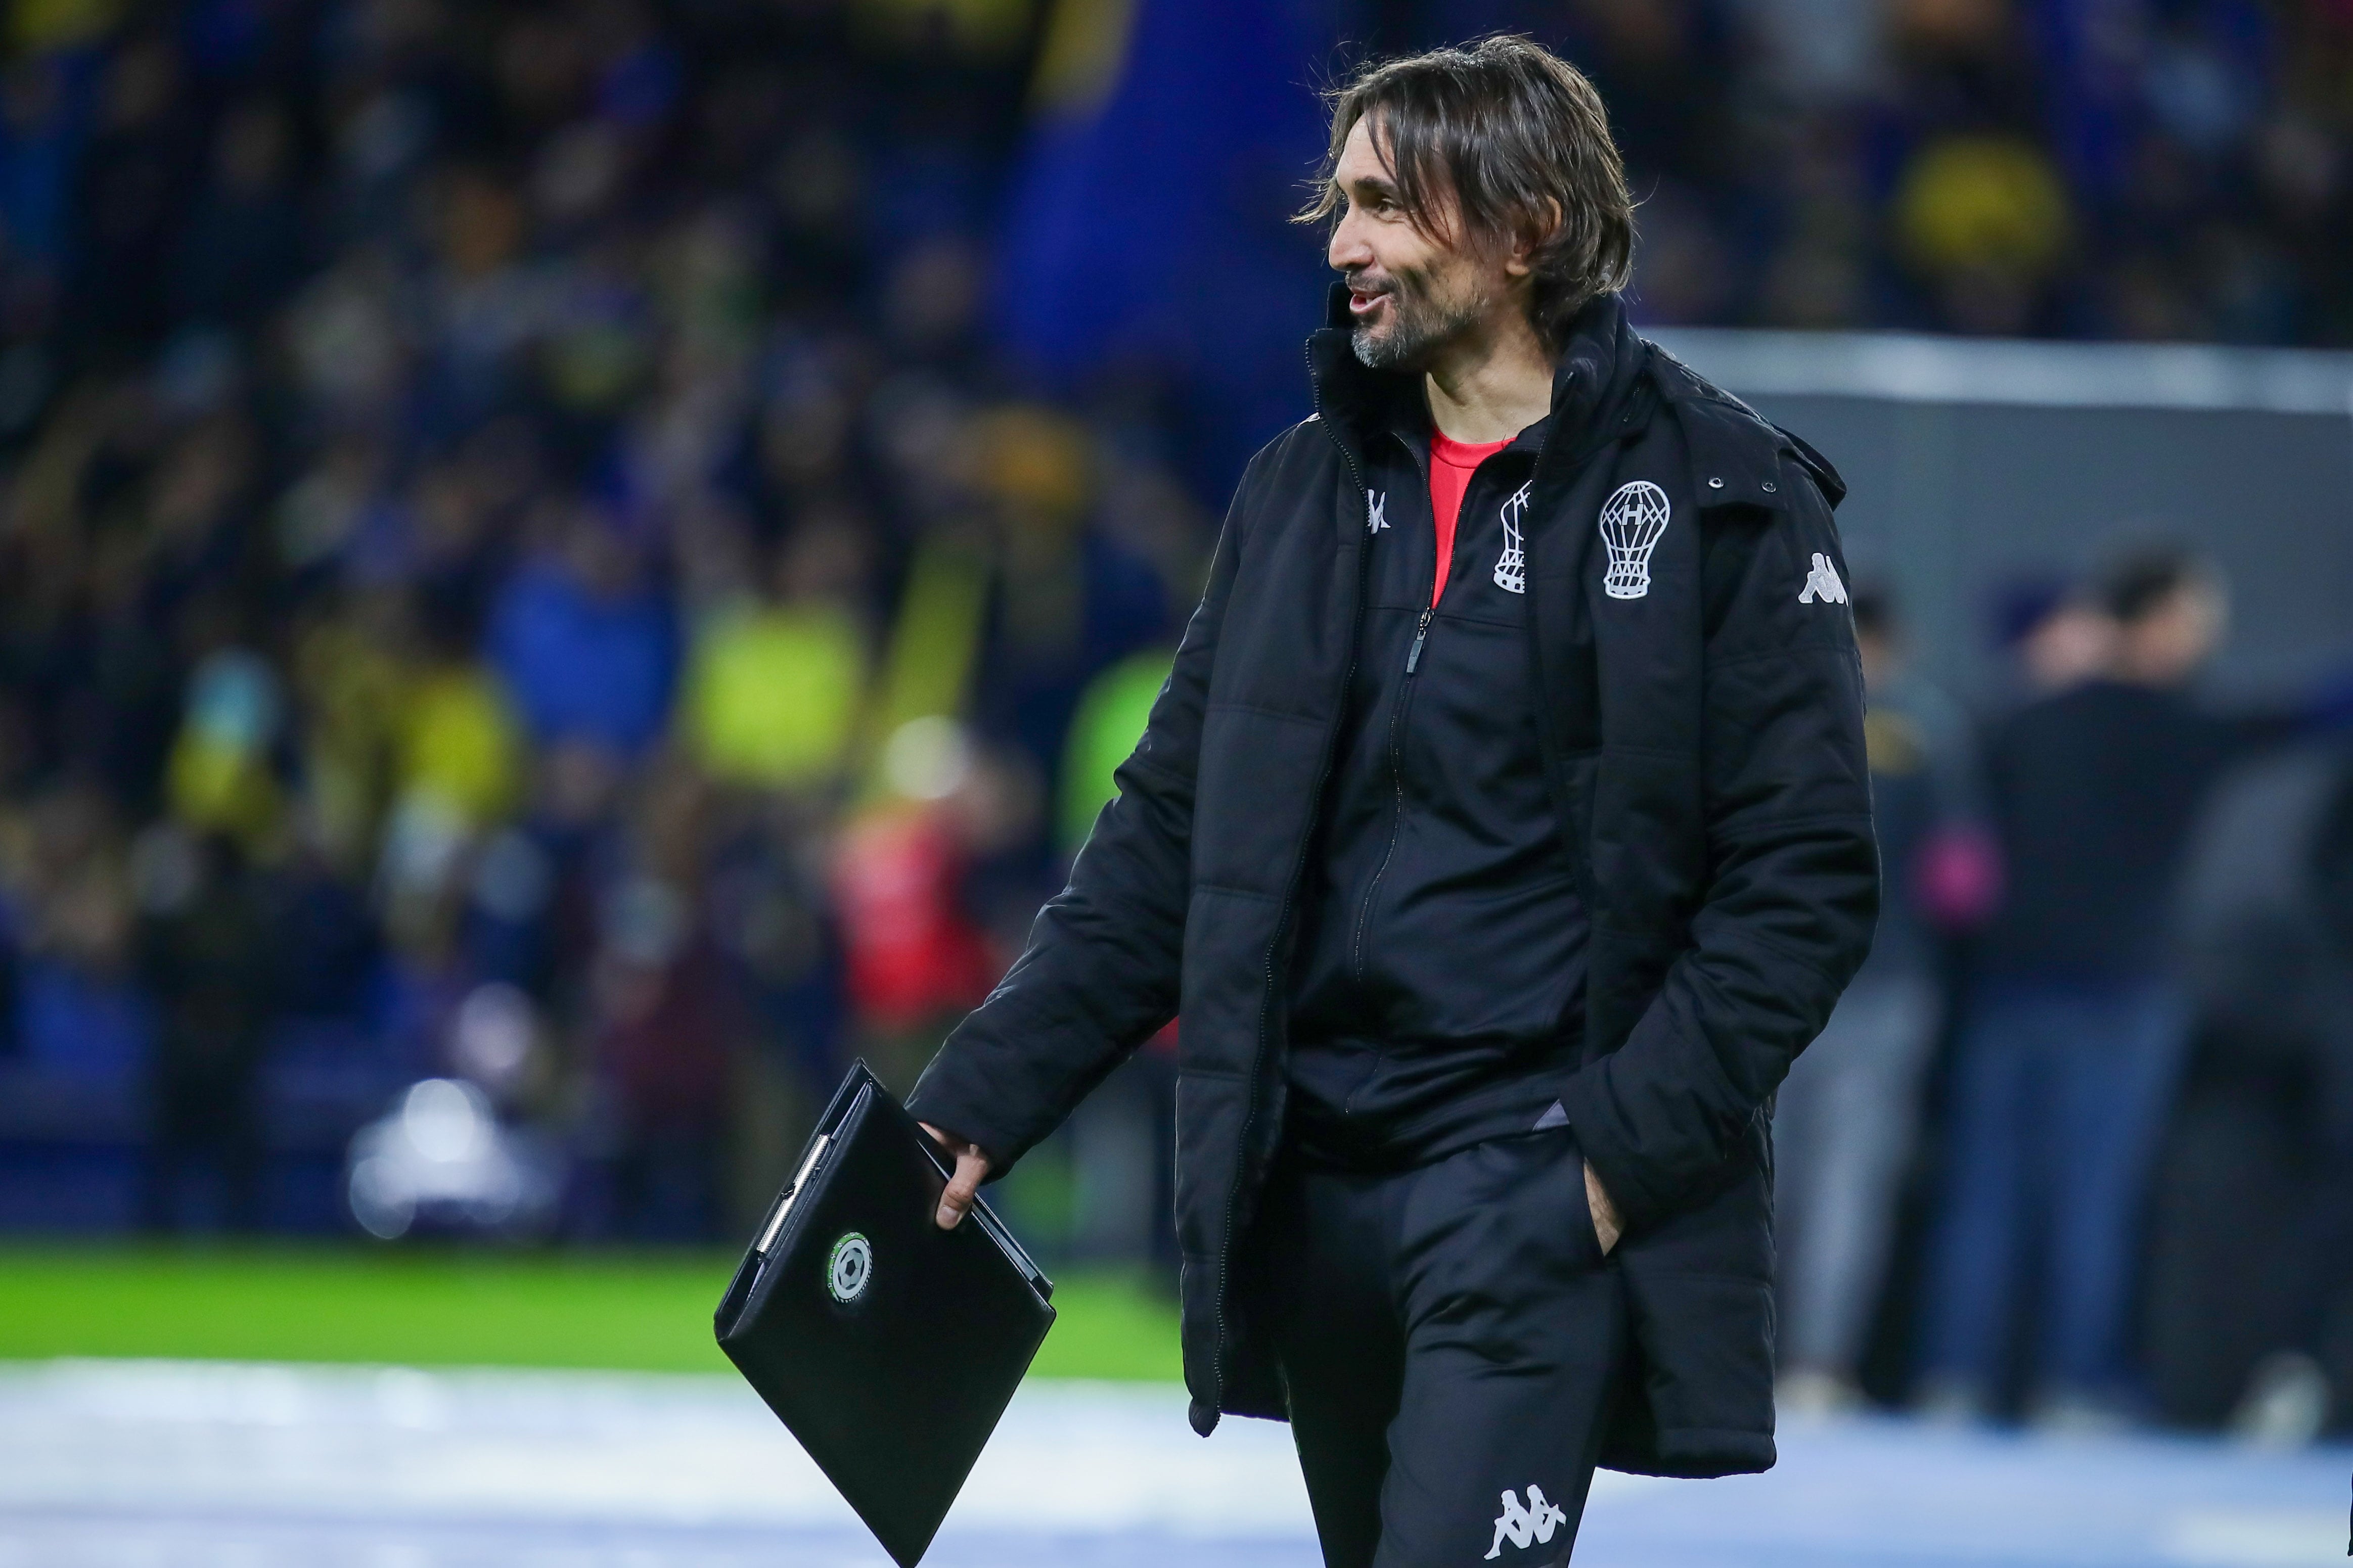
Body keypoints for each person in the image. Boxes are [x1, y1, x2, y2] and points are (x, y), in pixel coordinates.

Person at [907, 38, 1877, 1566]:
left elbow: (1803, 883)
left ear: (1524, 224)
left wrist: (1601, 1168)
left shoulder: (1722, 495)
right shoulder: (1295, 491)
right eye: (1338, 201)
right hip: (1312, 1199)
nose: (1341, 243)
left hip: (1527, 1190)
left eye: (1383, 204)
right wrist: (983, 1089)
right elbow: (1168, 837)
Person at [1916, 546, 2280, 1427]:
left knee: (1987, 1195)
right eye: (2195, 615)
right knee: (2091, 1199)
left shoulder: (2025, 721)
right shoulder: (2188, 730)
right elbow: (2306, 711)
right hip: (2121, 994)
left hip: (2013, 990)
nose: (2206, 634)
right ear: (2153, 622)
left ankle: (1953, 1381)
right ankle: (2068, 1386)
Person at [1773, 587, 1988, 1413]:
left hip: (1770, 986)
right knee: (1847, 1190)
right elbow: (1962, 885)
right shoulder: (1928, 732)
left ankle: (1732, 1358)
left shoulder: (1767, 708)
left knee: (1757, 1181)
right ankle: (1818, 1367)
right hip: (1884, 990)